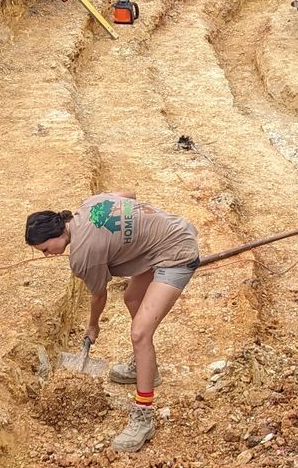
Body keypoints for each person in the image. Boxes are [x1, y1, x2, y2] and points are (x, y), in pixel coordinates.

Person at [24, 193, 200, 454]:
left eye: (46, 250)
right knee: (132, 298)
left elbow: (99, 295)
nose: (48, 256)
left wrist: (93, 326)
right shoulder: (88, 205)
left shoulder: (83, 256)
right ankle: (147, 370)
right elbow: (129, 195)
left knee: (140, 333)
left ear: (56, 235)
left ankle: (143, 417)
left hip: (176, 253)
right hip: (170, 231)